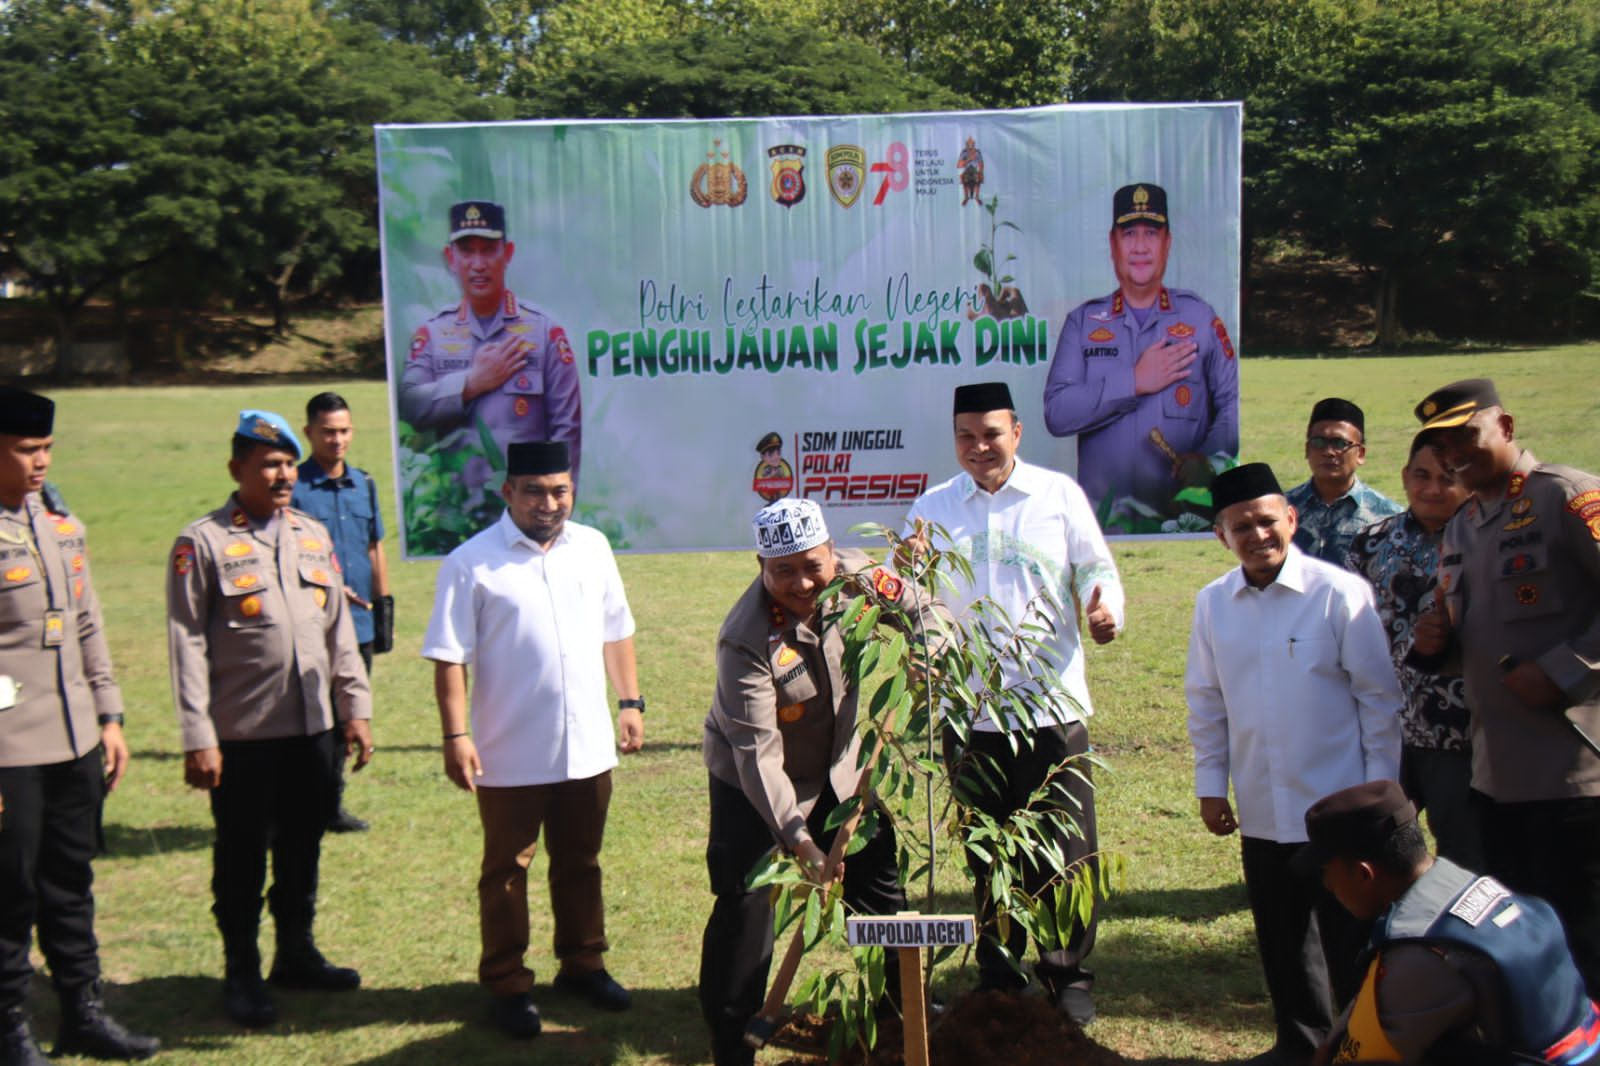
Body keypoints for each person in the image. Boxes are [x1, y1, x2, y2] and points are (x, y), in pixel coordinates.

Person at [904, 381, 1122, 1025]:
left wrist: (1104, 606)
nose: (979, 448)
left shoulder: (1058, 497)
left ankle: (1068, 974)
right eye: (966, 437)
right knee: (987, 847)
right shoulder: (935, 506)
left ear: (1017, 433)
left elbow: (1096, 567)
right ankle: (1001, 970)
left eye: (991, 434)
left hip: (1051, 706)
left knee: (1065, 847)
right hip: (970, 713)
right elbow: (919, 593)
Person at [699, 497, 941, 1066]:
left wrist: (930, 652)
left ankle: (896, 1014)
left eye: (814, 564)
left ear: (833, 552)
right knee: (746, 908)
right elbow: (758, 755)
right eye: (784, 570)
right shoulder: (745, 640)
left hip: (842, 765)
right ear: (761, 565)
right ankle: (733, 1039)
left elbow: (923, 608)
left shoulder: (858, 578)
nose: (803, 582)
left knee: (880, 885)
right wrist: (800, 841)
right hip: (753, 786)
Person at [423, 440, 642, 1040]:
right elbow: (448, 657)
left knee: (581, 862)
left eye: (560, 490)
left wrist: (630, 702)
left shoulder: (592, 548)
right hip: (507, 748)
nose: (550, 503)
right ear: (508, 493)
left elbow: (616, 630)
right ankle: (507, 981)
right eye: (536, 491)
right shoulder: (472, 562)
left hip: (588, 745)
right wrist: (455, 735)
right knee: (507, 872)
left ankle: (583, 964)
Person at [1185, 462, 1403, 1066]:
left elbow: (1378, 701)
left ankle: (1363, 1045)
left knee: (1350, 935)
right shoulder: (1213, 605)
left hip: (1338, 805)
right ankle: (1300, 1045)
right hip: (1260, 802)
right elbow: (1206, 700)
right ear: (1221, 537)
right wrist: (1211, 787)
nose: (1257, 536)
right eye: (1240, 527)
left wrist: (1381, 795)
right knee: (1282, 936)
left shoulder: (1339, 595)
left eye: (1266, 521)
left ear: (1291, 519)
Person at [166, 410, 373, 1029]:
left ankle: (296, 953)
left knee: (303, 847)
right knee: (241, 857)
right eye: (268, 465)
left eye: (287, 463)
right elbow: (185, 644)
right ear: (238, 470)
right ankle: (241, 971)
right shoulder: (201, 543)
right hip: (243, 736)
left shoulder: (311, 534)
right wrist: (198, 737)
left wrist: (355, 707)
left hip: (312, 729)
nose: (283, 475)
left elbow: (339, 631)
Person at [1408, 378, 1600, 994]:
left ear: (1506, 427)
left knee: (1588, 943)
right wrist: (1436, 645)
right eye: (1441, 443)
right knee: (1533, 950)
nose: (1454, 453)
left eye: (1467, 435)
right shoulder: (1464, 526)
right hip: (1496, 779)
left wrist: (1564, 671)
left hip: (1576, 776)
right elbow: (1479, 641)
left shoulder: (1568, 497)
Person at [0, 388, 158, 1065]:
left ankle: (82, 1013)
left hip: (74, 739)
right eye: (27, 450)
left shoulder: (60, 521)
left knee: (71, 881)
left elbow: (87, 625)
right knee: (10, 889)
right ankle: (9, 1028)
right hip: (10, 746)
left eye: (47, 449)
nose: (41, 462)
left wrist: (111, 716)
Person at [1297, 780, 1600, 1066]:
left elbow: (1358, 1057)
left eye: (1326, 871)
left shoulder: (1423, 954)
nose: (1326, 885)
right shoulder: (1469, 889)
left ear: (1365, 873)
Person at [1043, 182, 1239, 520]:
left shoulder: (1200, 317)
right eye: (1129, 233)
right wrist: (1133, 382)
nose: (1140, 247)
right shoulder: (1083, 322)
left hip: (1183, 523)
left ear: (1167, 243)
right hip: (1103, 522)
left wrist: (1207, 459)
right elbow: (1057, 414)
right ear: (1112, 244)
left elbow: (1232, 403)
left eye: (1151, 233)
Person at [1344, 434, 1480, 869]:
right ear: (1405, 476)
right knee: (1377, 851)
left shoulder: (1485, 542)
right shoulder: (1371, 545)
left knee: (1462, 853)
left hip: (1457, 733)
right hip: (1383, 727)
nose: (1433, 489)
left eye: (1448, 478)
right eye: (1422, 475)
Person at [398, 200, 582, 490]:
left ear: (507, 254)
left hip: (527, 505)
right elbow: (410, 405)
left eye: (488, 250)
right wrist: (470, 384)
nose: (478, 264)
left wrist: (560, 499)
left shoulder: (544, 331)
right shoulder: (432, 334)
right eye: (467, 251)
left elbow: (566, 428)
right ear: (451, 258)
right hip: (455, 513)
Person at [291, 392, 391, 834]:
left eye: (344, 431)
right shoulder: (293, 488)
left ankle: (330, 806)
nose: (337, 440)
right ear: (309, 432)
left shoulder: (364, 484)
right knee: (314, 714)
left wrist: (383, 604)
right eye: (328, 432)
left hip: (361, 623)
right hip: (313, 623)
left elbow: (375, 546)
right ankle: (304, 804)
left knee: (350, 713)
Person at [1285, 398, 1402, 567]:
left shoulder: (1388, 518)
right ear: (1307, 450)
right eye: (1318, 443)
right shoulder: (1282, 510)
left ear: (1360, 454)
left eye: (1340, 444)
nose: (1329, 452)